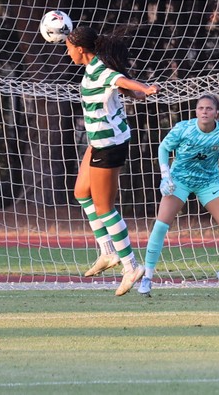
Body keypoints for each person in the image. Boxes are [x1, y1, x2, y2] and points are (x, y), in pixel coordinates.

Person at [65, 25, 159, 296]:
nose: (67, 52)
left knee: (104, 208)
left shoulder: (101, 70)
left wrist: (144, 88)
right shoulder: (93, 70)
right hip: (99, 142)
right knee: (81, 192)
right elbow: (117, 88)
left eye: (69, 48)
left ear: (81, 49)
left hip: (109, 145)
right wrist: (137, 94)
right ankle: (107, 251)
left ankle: (130, 265)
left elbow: (119, 80)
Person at [138, 94, 219, 297]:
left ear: (216, 113)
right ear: (196, 111)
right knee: (160, 226)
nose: (204, 112)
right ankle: (147, 277)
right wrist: (165, 175)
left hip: (209, 183)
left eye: (209, 109)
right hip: (179, 180)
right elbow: (164, 148)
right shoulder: (183, 129)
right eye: (201, 108)